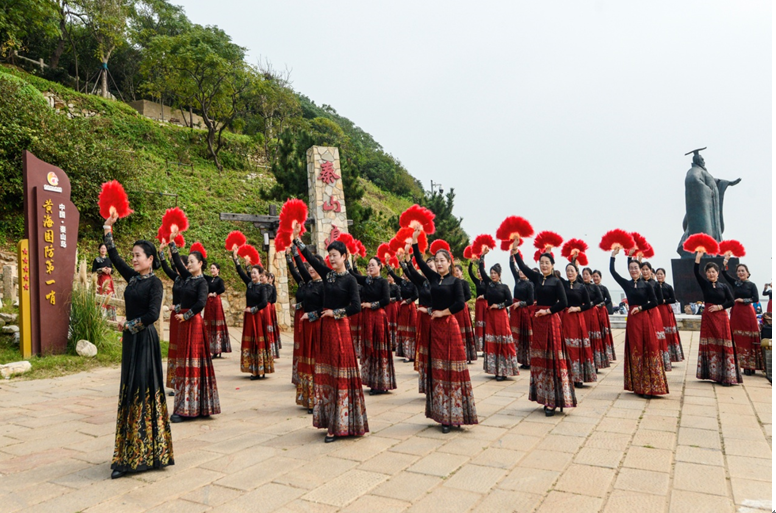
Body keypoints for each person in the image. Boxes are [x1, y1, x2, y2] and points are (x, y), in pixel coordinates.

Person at [102, 213, 173, 479]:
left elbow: (153, 314)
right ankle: (129, 451)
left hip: (144, 340)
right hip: (131, 342)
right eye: (132, 255)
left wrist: (128, 324)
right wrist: (107, 229)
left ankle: (142, 455)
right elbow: (115, 257)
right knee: (129, 389)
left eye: (138, 255)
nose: (133, 259)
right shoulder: (133, 278)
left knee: (142, 389)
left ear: (150, 259)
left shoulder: (155, 283)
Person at [293, 225, 368, 443]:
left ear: (344, 256)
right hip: (325, 329)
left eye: (334, 256)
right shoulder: (328, 275)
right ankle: (330, 422)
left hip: (340, 330)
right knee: (326, 374)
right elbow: (310, 258)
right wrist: (298, 239)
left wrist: (335, 312)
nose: (331, 259)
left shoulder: (350, 280)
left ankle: (342, 424)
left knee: (340, 373)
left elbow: (356, 307)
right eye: (329, 256)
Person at [411, 229, 477, 433]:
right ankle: (442, 415)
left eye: (442, 260)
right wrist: (414, 242)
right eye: (437, 260)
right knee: (438, 368)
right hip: (435, 328)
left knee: (452, 369)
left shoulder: (456, 282)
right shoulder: (432, 279)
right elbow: (420, 264)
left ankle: (455, 414)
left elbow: (460, 304)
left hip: (449, 325)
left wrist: (442, 313)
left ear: (450, 263)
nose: (439, 263)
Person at [512, 244, 576, 416]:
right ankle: (542, 395)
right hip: (539, 322)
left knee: (553, 358)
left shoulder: (557, 282)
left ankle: (554, 400)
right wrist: (516, 252)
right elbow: (523, 267)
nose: (544, 265)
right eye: (542, 262)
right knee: (540, 358)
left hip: (551, 320)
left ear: (553, 264)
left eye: (547, 262)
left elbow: (563, 303)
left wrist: (547, 311)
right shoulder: (537, 278)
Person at [168, 239, 221, 422]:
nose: (188, 264)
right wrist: (171, 241)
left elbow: (200, 303)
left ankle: (189, 409)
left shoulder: (203, 282)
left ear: (200, 264)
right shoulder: (188, 278)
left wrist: (186, 315)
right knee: (184, 362)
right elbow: (176, 262)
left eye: (191, 261)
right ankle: (186, 406)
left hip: (194, 323)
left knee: (193, 363)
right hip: (184, 322)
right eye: (187, 262)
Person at [610, 249, 668, 397]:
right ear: (629, 270)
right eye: (631, 268)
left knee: (649, 347)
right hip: (633, 321)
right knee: (636, 349)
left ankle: (651, 384)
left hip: (645, 318)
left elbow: (655, 302)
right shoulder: (626, 284)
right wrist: (613, 257)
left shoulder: (647, 285)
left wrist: (641, 308)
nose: (634, 270)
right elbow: (613, 272)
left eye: (636, 268)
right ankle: (638, 385)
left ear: (641, 270)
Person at [350, 257, 397, 395]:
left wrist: (371, 305)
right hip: (367, 318)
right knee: (369, 348)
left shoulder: (383, 281)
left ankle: (381, 384)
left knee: (378, 348)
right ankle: (372, 382)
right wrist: (349, 259)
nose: (370, 267)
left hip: (378, 317)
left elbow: (386, 300)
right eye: (368, 265)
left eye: (372, 265)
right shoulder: (367, 280)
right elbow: (353, 275)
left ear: (380, 266)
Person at [694, 252, 740, 385]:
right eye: (708, 272)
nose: (711, 274)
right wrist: (698, 258)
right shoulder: (705, 285)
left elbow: (731, 302)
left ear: (718, 273)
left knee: (724, 344)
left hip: (721, 317)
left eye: (713, 271)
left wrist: (720, 307)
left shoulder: (724, 286)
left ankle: (727, 376)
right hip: (708, 318)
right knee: (710, 343)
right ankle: (711, 373)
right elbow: (696, 273)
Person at [290, 247, 325, 413]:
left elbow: (325, 308)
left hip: (318, 327)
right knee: (307, 360)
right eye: (309, 266)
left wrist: (311, 315)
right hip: (307, 327)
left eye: (314, 265)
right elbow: (300, 269)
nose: (310, 268)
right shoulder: (309, 283)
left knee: (316, 363)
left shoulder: (325, 285)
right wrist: (293, 251)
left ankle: (318, 398)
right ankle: (309, 397)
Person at [232, 248, 274, 380]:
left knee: (259, 342)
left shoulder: (263, 287)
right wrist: (236, 259)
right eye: (252, 273)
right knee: (251, 342)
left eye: (255, 273)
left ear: (261, 275)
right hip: (249, 318)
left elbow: (264, 302)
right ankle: (253, 369)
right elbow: (240, 272)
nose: (253, 275)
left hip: (258, 317)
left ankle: (261, 370)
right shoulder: (249, 284)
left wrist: (253, 309)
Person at [478, 249, 519, 380]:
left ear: (499, 275)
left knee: (502, 340)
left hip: (501, 315)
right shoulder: (489, 284)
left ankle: (504, 370)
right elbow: (481, 269)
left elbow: (510, 301)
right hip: (490, 316)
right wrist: (482, 256)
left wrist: (498, 305)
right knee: (493, 340)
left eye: (495, 273)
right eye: (491, 273)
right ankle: (495, 369)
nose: (493, 275)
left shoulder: (505, 287)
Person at [721, 258, 762, 375]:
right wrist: (725, 264)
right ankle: (737, 363)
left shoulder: (752, 285)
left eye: (743, 270)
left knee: (749, 337)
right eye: (739, 271)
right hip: (736, 312)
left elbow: (756, 298)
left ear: (748, 272)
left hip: (748, 312)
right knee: (736, 336)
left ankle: (750, 365)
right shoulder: (735, 283)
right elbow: (724, 274)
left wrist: (743, 300)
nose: (741, 273)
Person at [560, 262, 596, 387]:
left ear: (576, 272)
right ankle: (566, 375)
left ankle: (578, 377)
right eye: (567, 270)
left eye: (572, 270)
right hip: (565, 319)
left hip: (577, 318)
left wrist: (577, 309)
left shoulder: (581, 287)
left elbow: (588, 304)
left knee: (578, 347)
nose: (569, 273)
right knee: (566, 346)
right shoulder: (563, 285)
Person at [402, 254, 434, 391]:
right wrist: (406, 261)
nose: (428, 269)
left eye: (431, 266)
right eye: (427, 267)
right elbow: (411, 273)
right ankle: (427, 382)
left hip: (435, 318)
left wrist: (430, 311)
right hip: (423, 319)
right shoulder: (422, 282)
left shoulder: (439, 282)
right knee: (424, 348)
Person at [387, 264, 417, 361]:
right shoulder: (402, 282)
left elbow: (416, 295)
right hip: (402, 308)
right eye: (404, 274)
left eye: (407, 274)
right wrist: (387, 265)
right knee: (403, 329)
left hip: (410, 307)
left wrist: (407, 301)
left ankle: (411, 354)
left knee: (411, 330)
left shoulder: (414, 283)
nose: (405, 276)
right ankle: (405, 353)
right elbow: (393, 275)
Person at [581, 267, 610, 370]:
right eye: (583, 274)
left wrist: (592, 304)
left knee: (593, 337)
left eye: (587, 274)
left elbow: (601, 298)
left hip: (593, 313)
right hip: (582, 312)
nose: (585, 276)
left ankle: (596, 363)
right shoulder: (580, 286)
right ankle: (585, 362)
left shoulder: (595, 287)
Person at [509, 254, 534, 369]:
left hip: (524, 311)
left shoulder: (529, 284)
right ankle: (516, 359)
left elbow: (530, 301)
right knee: (515, 335)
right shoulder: (517, 281)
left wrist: (519, 304)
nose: (521, 273)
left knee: (525, 336)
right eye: (520, 271)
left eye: (523, 271)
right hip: (515, 311)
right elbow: (512, 267)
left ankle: (527, 361)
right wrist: (512, 256)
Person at [286, 248, 306, 387]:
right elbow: (293, 271)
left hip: (309, 316)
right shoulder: (301, 283)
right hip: (299, 316)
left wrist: (300, 305)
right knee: (298, 344)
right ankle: (299, 374)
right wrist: (288, 256)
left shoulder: (318, 284)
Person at [655, 268, 684, 364]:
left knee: (668, 332)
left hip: (666, 310)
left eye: (661, 274)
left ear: (664, 276)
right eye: (658, 274)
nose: (659, 276)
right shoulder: (653, 286)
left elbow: (673, 299)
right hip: (656, 309)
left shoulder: (668, 287)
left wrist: (664, 301)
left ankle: (670, 355)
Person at [204, 263, 230, 358]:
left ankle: (217, 349)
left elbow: (222, 289)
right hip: (209, 303)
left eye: (214, 268)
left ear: (218, 270)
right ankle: (211, 348)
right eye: (211, 268)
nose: (212, 270)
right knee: (209, 323)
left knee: (216, 324)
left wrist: (214, 293)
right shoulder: (210, 279)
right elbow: (202, 274)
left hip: (215, 303)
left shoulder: (219, 280)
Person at [453, 264, 477, 363]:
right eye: (455, 271)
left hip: (462, 308)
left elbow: (468, 295)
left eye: (458, 271)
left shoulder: (464, 283)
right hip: (453, 308)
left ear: (462, 272)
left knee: (464, 330)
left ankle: (466, 355)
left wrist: (460, 301)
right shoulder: (452, 283)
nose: (456, 273)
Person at [92, 243, 117, 321]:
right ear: (99, 250)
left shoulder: (109, 260)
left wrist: (110, 270)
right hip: (100, 281)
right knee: (101, 296)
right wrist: (101, 270)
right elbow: (93, 271)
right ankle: (100, 317)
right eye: (102, 248)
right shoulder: (96, 260)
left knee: (109, 297)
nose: (103, 250)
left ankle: (110, 318)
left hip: (108, 281)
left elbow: (113, 270)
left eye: (104, 248)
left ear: (106, 250)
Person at [468, 262, 488, 353]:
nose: (479, 274)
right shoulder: (477, 282)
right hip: (478, 305)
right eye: (478, 273)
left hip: (485, 303)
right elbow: (470, 273)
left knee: (486, 324)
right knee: (479, 324)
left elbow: (491, 293)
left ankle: (486, 348)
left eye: (481, 272)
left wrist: (484, 296)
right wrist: (471, 263)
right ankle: (480, 347)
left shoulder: (487, 282)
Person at [385, 273, 402, 351]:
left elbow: (398, 297)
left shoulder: (396, 287)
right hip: (387, 306)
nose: (389, 278)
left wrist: (392, 299)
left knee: (394, 322)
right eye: (388, 276)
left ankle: (394, 344)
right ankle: (388, 343)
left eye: (390, 276)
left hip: (393, 306)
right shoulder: (386, 286)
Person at [267, 273, 281, 358]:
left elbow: (274, 299)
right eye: (269, 277)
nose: (270, 279)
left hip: (270, 307)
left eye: (272, 278)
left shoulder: (272, 287)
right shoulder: (266, 286)